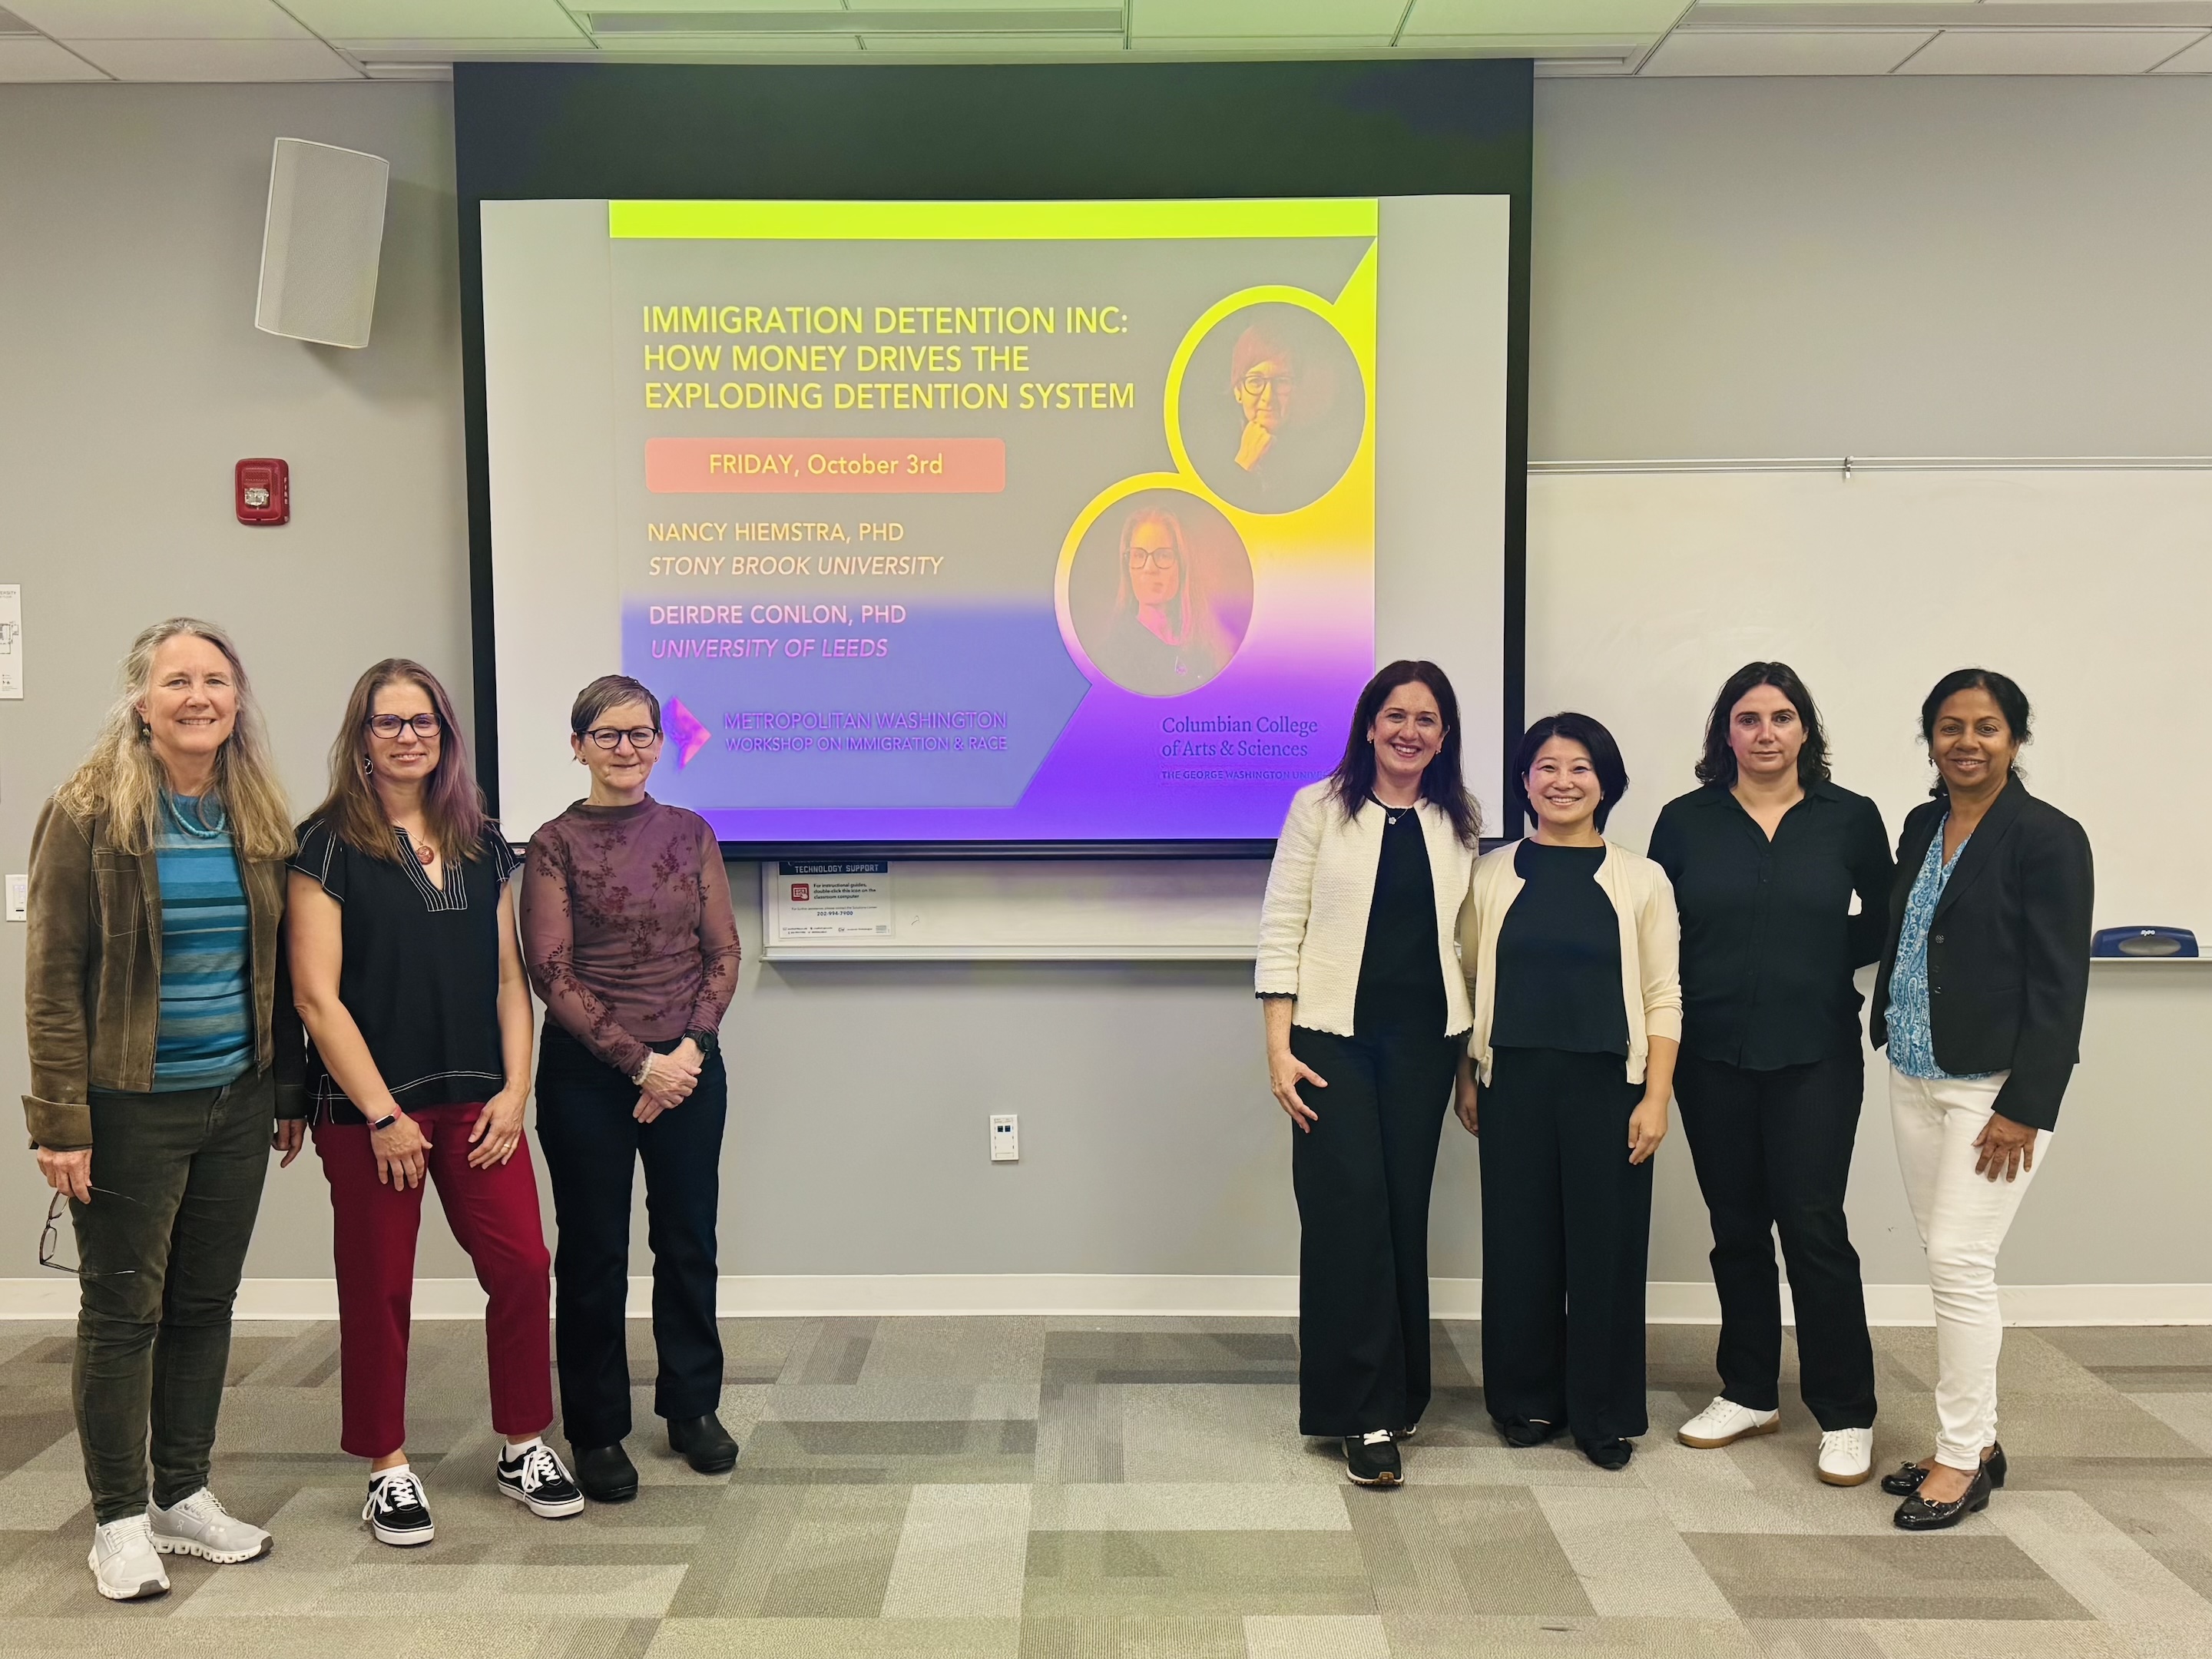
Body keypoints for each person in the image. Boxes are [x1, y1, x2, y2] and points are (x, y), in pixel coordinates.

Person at [22, 618, 302, 1601]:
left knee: (202, 1305)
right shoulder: (88, 810)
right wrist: (60, 1121)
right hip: (128, 1106)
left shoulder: (258, 812)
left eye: (217, 681)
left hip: (236, 1098)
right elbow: (53, 977)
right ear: (140, 699)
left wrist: (286, 1093)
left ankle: (184, 1494)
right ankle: (117, 1520)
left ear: (237, 700)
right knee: (122, 1311)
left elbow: (280, 972)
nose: (199, 698)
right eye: (177, 680)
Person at [288, 660, 580, 1548]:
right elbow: (315, 997)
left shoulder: (482, 842)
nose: (408, 736)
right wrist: (381, 1116)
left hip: (477, 1104)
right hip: (372, 1116)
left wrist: (515, 1093)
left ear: (446, 738)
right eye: (389, 723)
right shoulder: (325, 843)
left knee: (525, 1266)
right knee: (379, 1287)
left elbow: (507, 978)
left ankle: (523, 1441)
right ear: (362, 736)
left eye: (424, 723)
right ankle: (387, 1466)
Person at [1648, 663, 1892, 1486]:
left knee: (1814, 1227)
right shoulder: (1685, 822)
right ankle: (1749, 1390)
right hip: (1710, 1055)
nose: (1765, 733)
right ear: (1726, 734)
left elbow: (1887, 920)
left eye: (1782, 718)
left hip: (1816, 1052)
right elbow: (1658, 938)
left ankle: (1848, 1410)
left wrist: (1823, 953)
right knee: (1736, 1228)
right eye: (1748, 719)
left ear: (1805, 732)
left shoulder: (1850, 818)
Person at [1869, 669, 2091, 1531]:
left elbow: (2060, 983)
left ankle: (1962, 1460)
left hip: (1993, 1091)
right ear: (1930, 739)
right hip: (1915, 1074)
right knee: (1948, 1256)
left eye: (1987, 727)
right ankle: (1979, 1440)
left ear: (2016, 740)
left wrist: (2027, 1106)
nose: (1967, 741)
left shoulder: (2047, 837)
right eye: (1950, 727)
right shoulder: (1924, 823)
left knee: (1960, 1265)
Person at [1255, 661, 1481, 1488]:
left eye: (1427, 719)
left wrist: (1466, 1066)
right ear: (1368, 724)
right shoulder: (1318, 807)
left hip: (1424, 1043)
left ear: (1444, 736)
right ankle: (1360, 1413)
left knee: (1400, 1211)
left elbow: (1466, 950)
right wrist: (1278, 1046)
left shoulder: (1459, 820)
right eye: (1395, 715)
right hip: (1329, 1039)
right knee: (1348, 1214)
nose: (1409, 731)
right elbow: (1282, 924)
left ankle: (1402, 1389)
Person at [522, 674, 743, 1502]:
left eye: (642, 735)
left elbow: (723, 953)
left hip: (688, 1063)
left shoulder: (691, 833)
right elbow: (552, 970)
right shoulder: (553, 843)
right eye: (608, 735)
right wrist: (638, 1063)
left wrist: (685, 1053)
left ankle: (693, 1410)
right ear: (577, 744)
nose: (627, 750)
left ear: (661, 743)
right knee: (593, 1254)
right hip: (589, 1073)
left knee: (688, 1241)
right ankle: (597, 1429)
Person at [1455, 713, 1680, 1472]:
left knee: (1607, 1251)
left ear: (1605, 783)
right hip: (1513, 1080)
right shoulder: (1490, 873)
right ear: (1525, 782)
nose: (1562, 781)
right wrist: (1469, 1073)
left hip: (1608, 1089)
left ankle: (1604, 1413)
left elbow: (1662, 995)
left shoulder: (1641, 878)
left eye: (1579, 767)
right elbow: (1471, 981)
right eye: (1546, 767)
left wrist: (1657, 1096)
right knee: (1519, 1248)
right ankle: (1525, 1400)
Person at [1090, 506, 1232, 695]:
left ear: (1183, 564)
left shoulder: (1200, 647)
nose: (1149, 568)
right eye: (1138, 555)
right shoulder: (1112, 657)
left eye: (1163, 555)